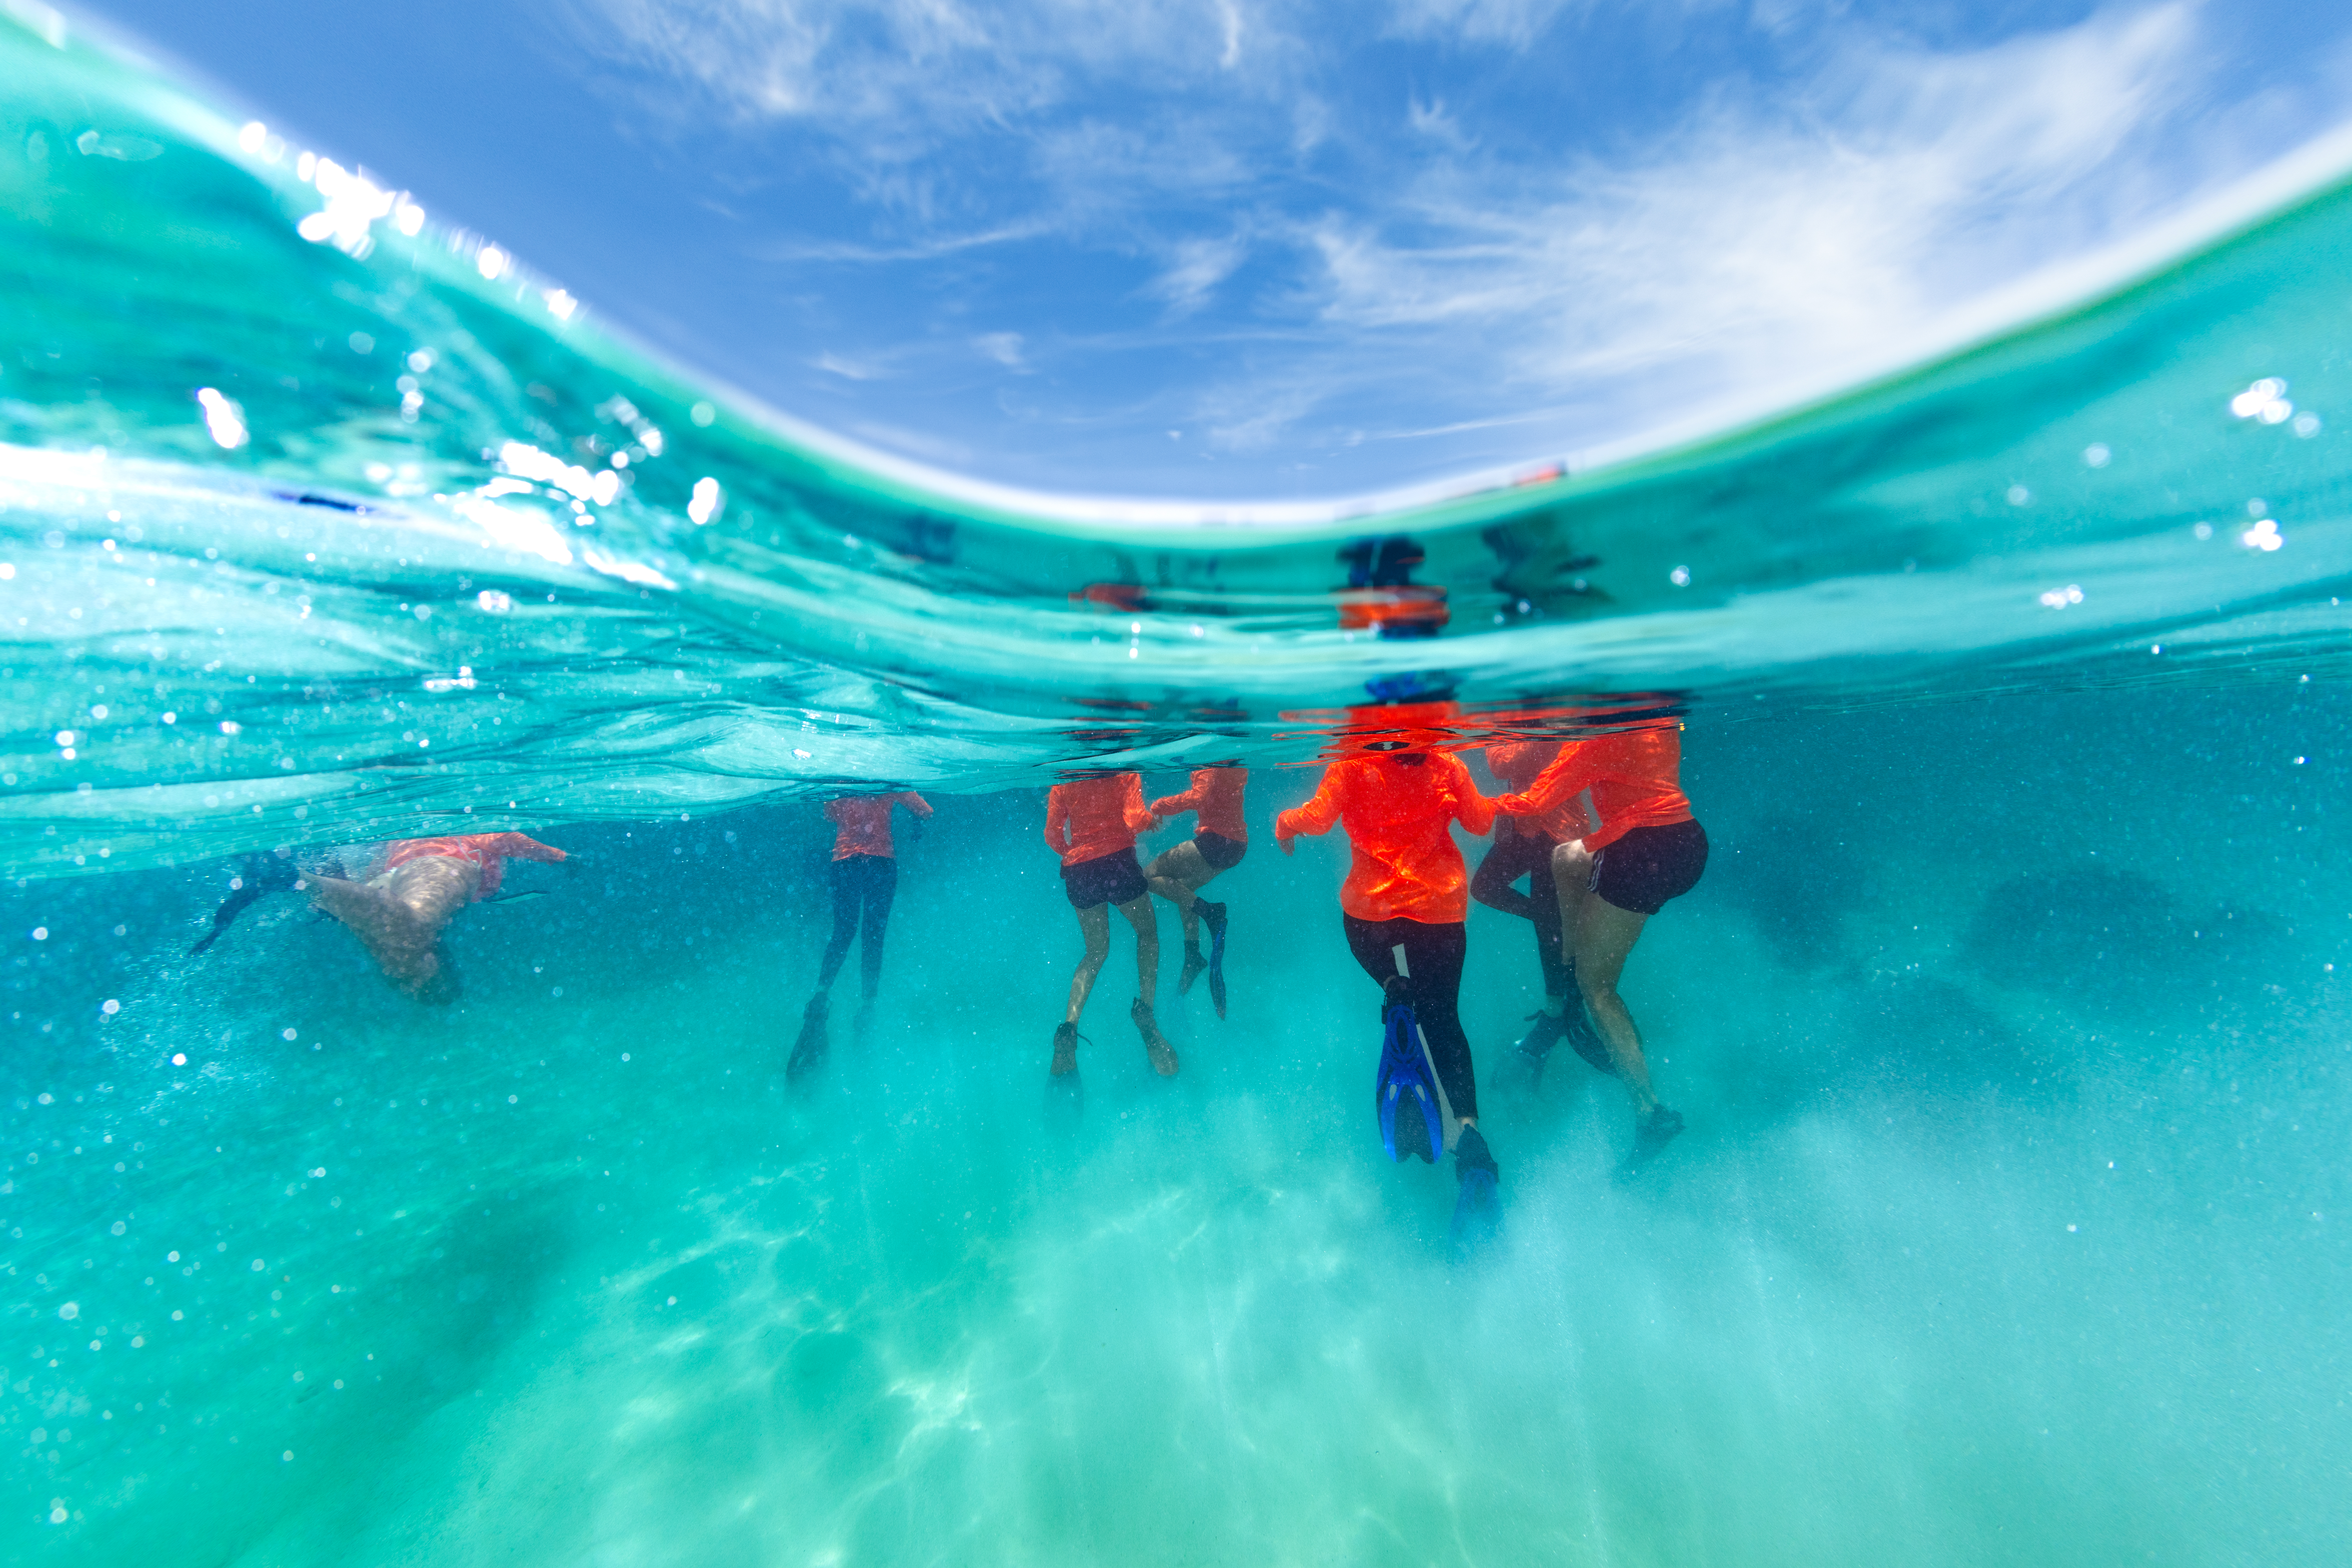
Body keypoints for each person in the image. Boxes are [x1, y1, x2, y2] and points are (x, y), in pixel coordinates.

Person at [1274, 720, 1501, 1237]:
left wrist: (1284, 826)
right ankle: (1469, 1136)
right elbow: (1480, 824)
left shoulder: (1351, 763)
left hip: (1374, 916)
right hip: (1438, 912)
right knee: (1444, 1018)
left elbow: (1314, 819)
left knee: (1368, 942)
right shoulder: (1448, 764)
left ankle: (1391, 986)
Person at [1494, 720, 1708, 1158]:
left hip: (1641, 854)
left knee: (1602, 990)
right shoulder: (1659, 721)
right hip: (1685, 840)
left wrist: (1452, 804)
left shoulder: (1591, 740)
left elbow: (1533, 802)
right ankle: (1572, 972)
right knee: (1568, 858)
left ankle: (1650, 1112)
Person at [1473, 742, 1610, 1083]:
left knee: (1550, 924)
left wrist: (1538, 737)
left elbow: (1561, 756)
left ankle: (1562, 1010)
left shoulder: (1546, 722)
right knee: (1487, 889)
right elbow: (1501, 766)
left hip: (1560, 830)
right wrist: (1537, 737)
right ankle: (1562, 1012)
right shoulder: (1509, 723)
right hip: (1522, 827)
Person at [309, 831, 566, 1002]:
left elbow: (381, 874)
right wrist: (561, 857)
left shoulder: (405, 835)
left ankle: (304, 878)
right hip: (439, 865)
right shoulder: (459, 826)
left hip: (402, 877)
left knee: (400, 936)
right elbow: (500, 838)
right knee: (414, 929)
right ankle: (294, 879)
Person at [789, 789, 933, 1083]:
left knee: (842, 932)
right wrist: (914, 820)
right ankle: (867, 1007)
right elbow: (926, 810)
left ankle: (821, 995)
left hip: (844, 862)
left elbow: (830, 815)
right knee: (874, 936)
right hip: (881, 863)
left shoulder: (839, 782)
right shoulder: (889, 780)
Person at [1045, 771, 1178, 1082]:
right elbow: (1134, 818)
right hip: (1118, 862)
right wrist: (1148, 822)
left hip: (1080, 871)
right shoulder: (1123, 769)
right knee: (1146, 935)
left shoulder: (1064, 777)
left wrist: (1077, 855)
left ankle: (1069, 1027)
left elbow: (1052, 835)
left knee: (1095, 953)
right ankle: (1145, 1010)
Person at [1143, 764, 1247, 1018]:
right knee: (1184, 891)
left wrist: (1158, 807)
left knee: (1148, 876)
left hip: (1216, 843)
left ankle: (1210, 913)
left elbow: (1198, 797)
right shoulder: (1232, 757)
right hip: (1236, 846)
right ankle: (1192, 955)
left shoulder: (1209, 760)